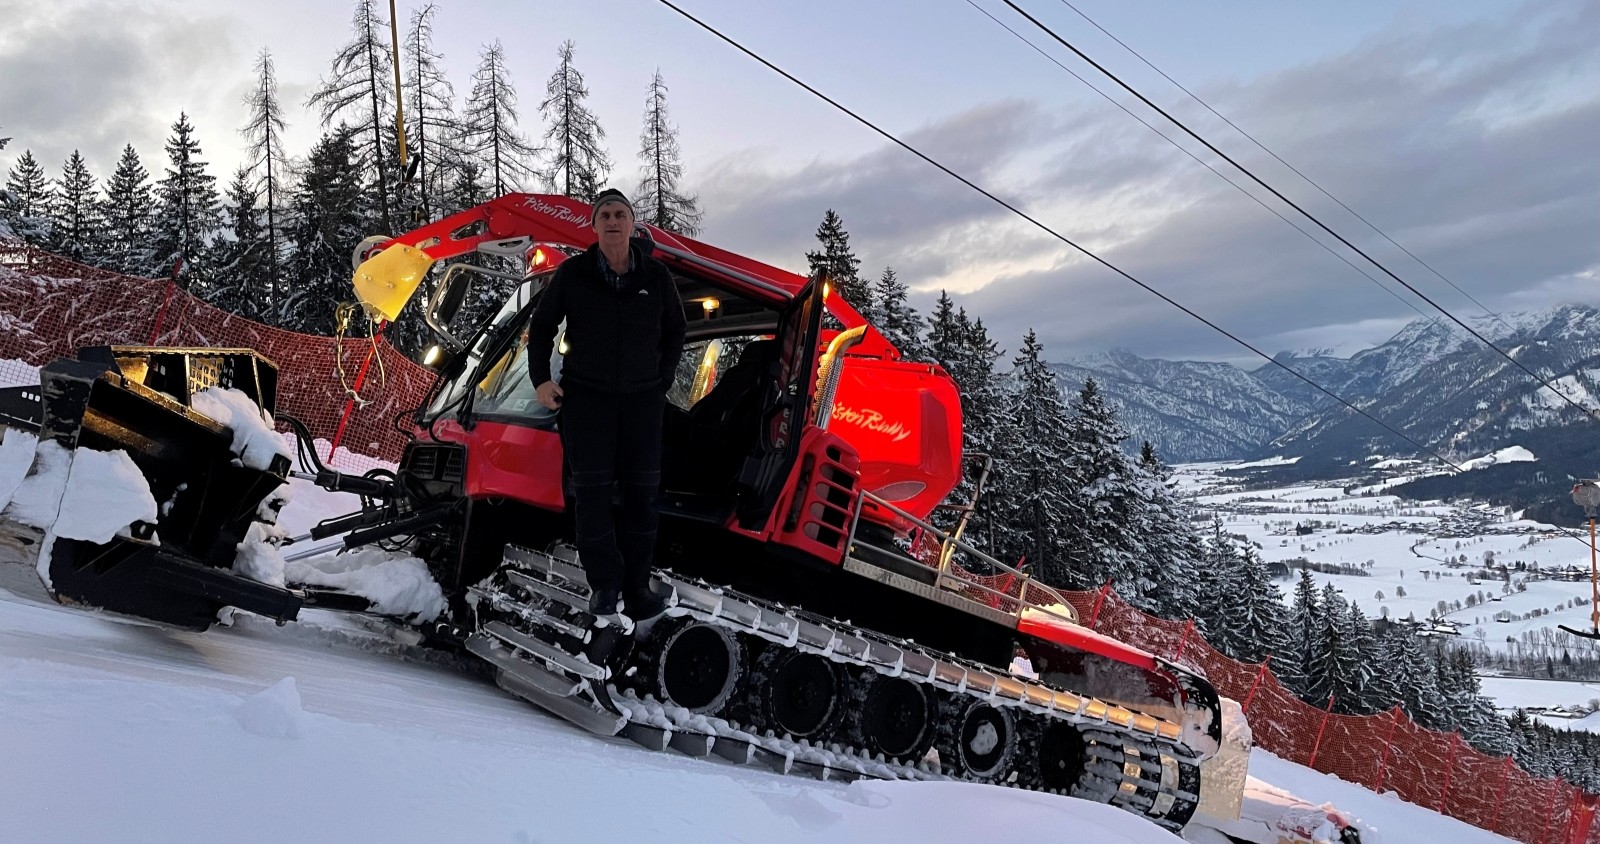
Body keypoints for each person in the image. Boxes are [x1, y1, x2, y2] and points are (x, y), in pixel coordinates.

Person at [526, 189, 686, 626]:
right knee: (592, 497)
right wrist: (541, 380)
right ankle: (605, 585)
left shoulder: (656, 277)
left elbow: (676, 331)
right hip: (587, 401)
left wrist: (662, 381)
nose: (613, 222)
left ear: (632, 224)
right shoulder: (574, 274)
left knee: (642, 498)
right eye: (605, 216)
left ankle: (636, 588)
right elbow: (541, 327)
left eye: (620, 214)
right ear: (594, 227)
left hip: (641, 404)